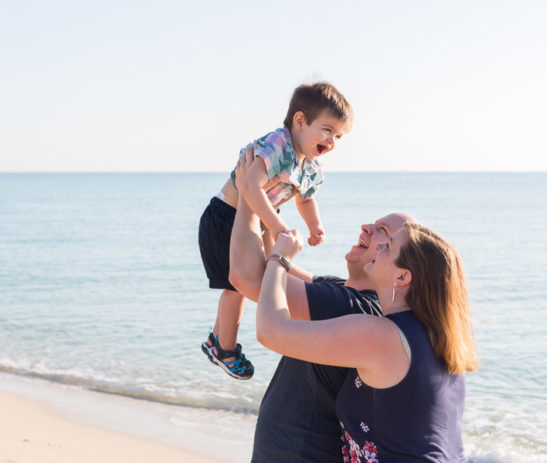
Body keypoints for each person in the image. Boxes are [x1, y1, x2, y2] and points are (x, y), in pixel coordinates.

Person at [228, 151, 416, 461]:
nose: (367, 226)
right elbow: (266, 266)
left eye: (382, 232)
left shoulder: (353, 308)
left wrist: (249, 194)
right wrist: (266, 202)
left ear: (398, 265)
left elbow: (247, 276)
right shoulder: (341, 289)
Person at [257, 223, 478, 462]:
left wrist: (279, 259)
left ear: (402, 276)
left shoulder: (383, 336)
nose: (380, 245)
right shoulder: (441, 338)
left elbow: (271, 331)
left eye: (388, 246)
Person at [198, 82, 353, 380]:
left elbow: (306, 198)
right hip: (225, 217)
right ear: (299, 121)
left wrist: (314, 225)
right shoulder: (278, 144)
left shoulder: (310, 166)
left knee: (260, 277)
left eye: (338, 136)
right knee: (236, 286)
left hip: (257, 219)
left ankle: (215, 339)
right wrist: (276, 225)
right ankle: (224, 348)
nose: (332, 140)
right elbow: (249, 186)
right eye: (327, 130)